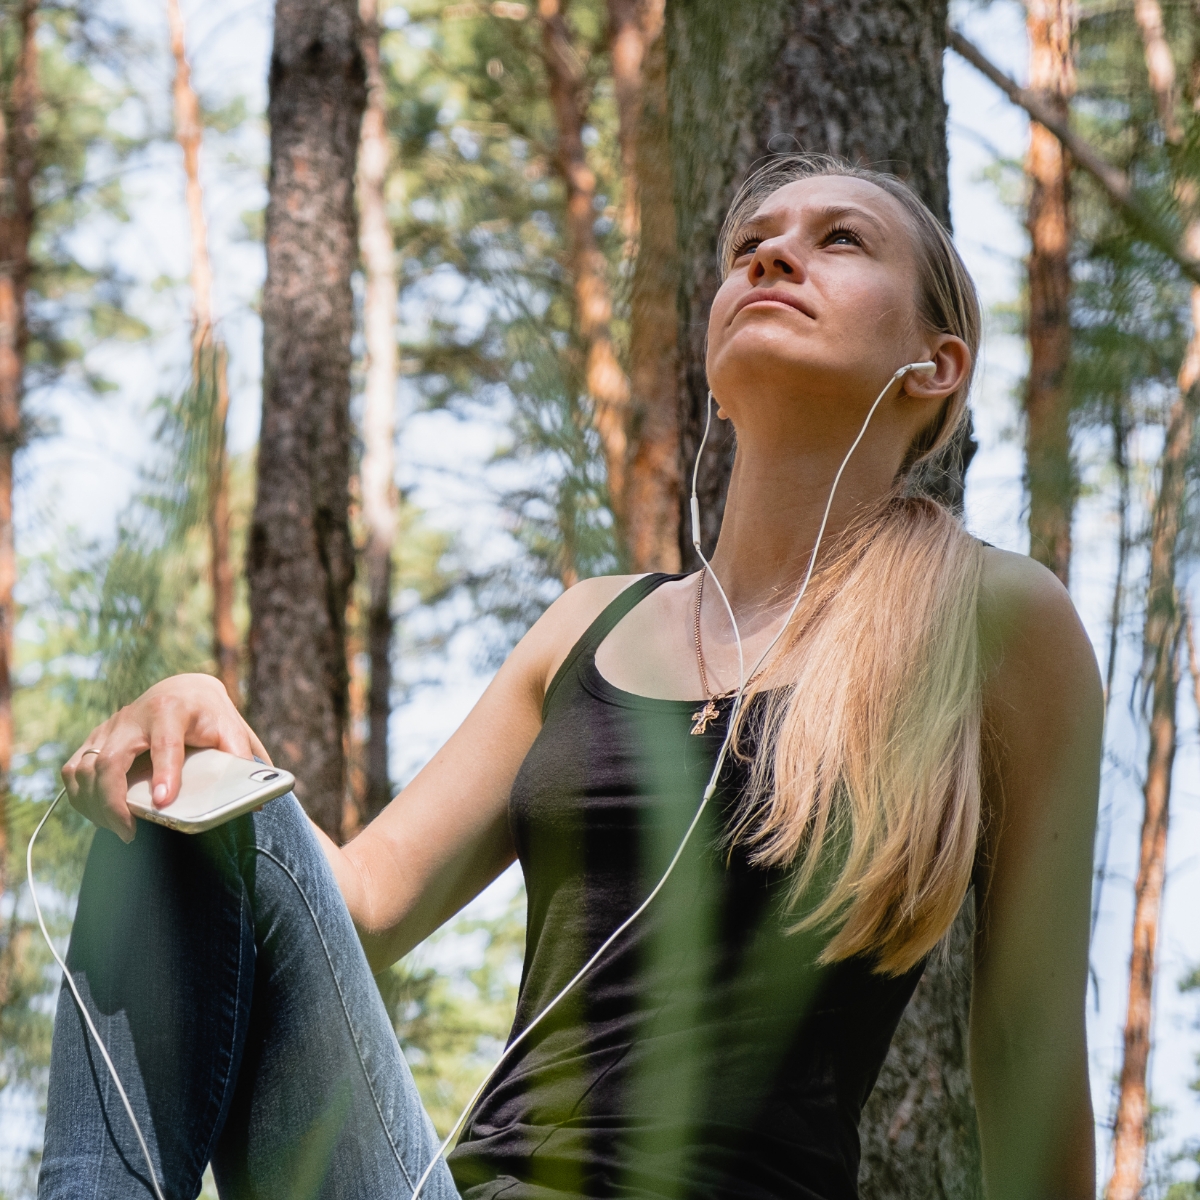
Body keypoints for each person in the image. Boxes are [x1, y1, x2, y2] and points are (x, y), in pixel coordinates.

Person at [40, 154, 1102, 1200]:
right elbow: (362, 905)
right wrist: (206, 727)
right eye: (750, 247)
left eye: (840, 239)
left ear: (936, 364)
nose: (775, 254)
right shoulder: (591, 623)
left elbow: (1027, 1047)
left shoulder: (993, 622)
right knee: (189, 816)